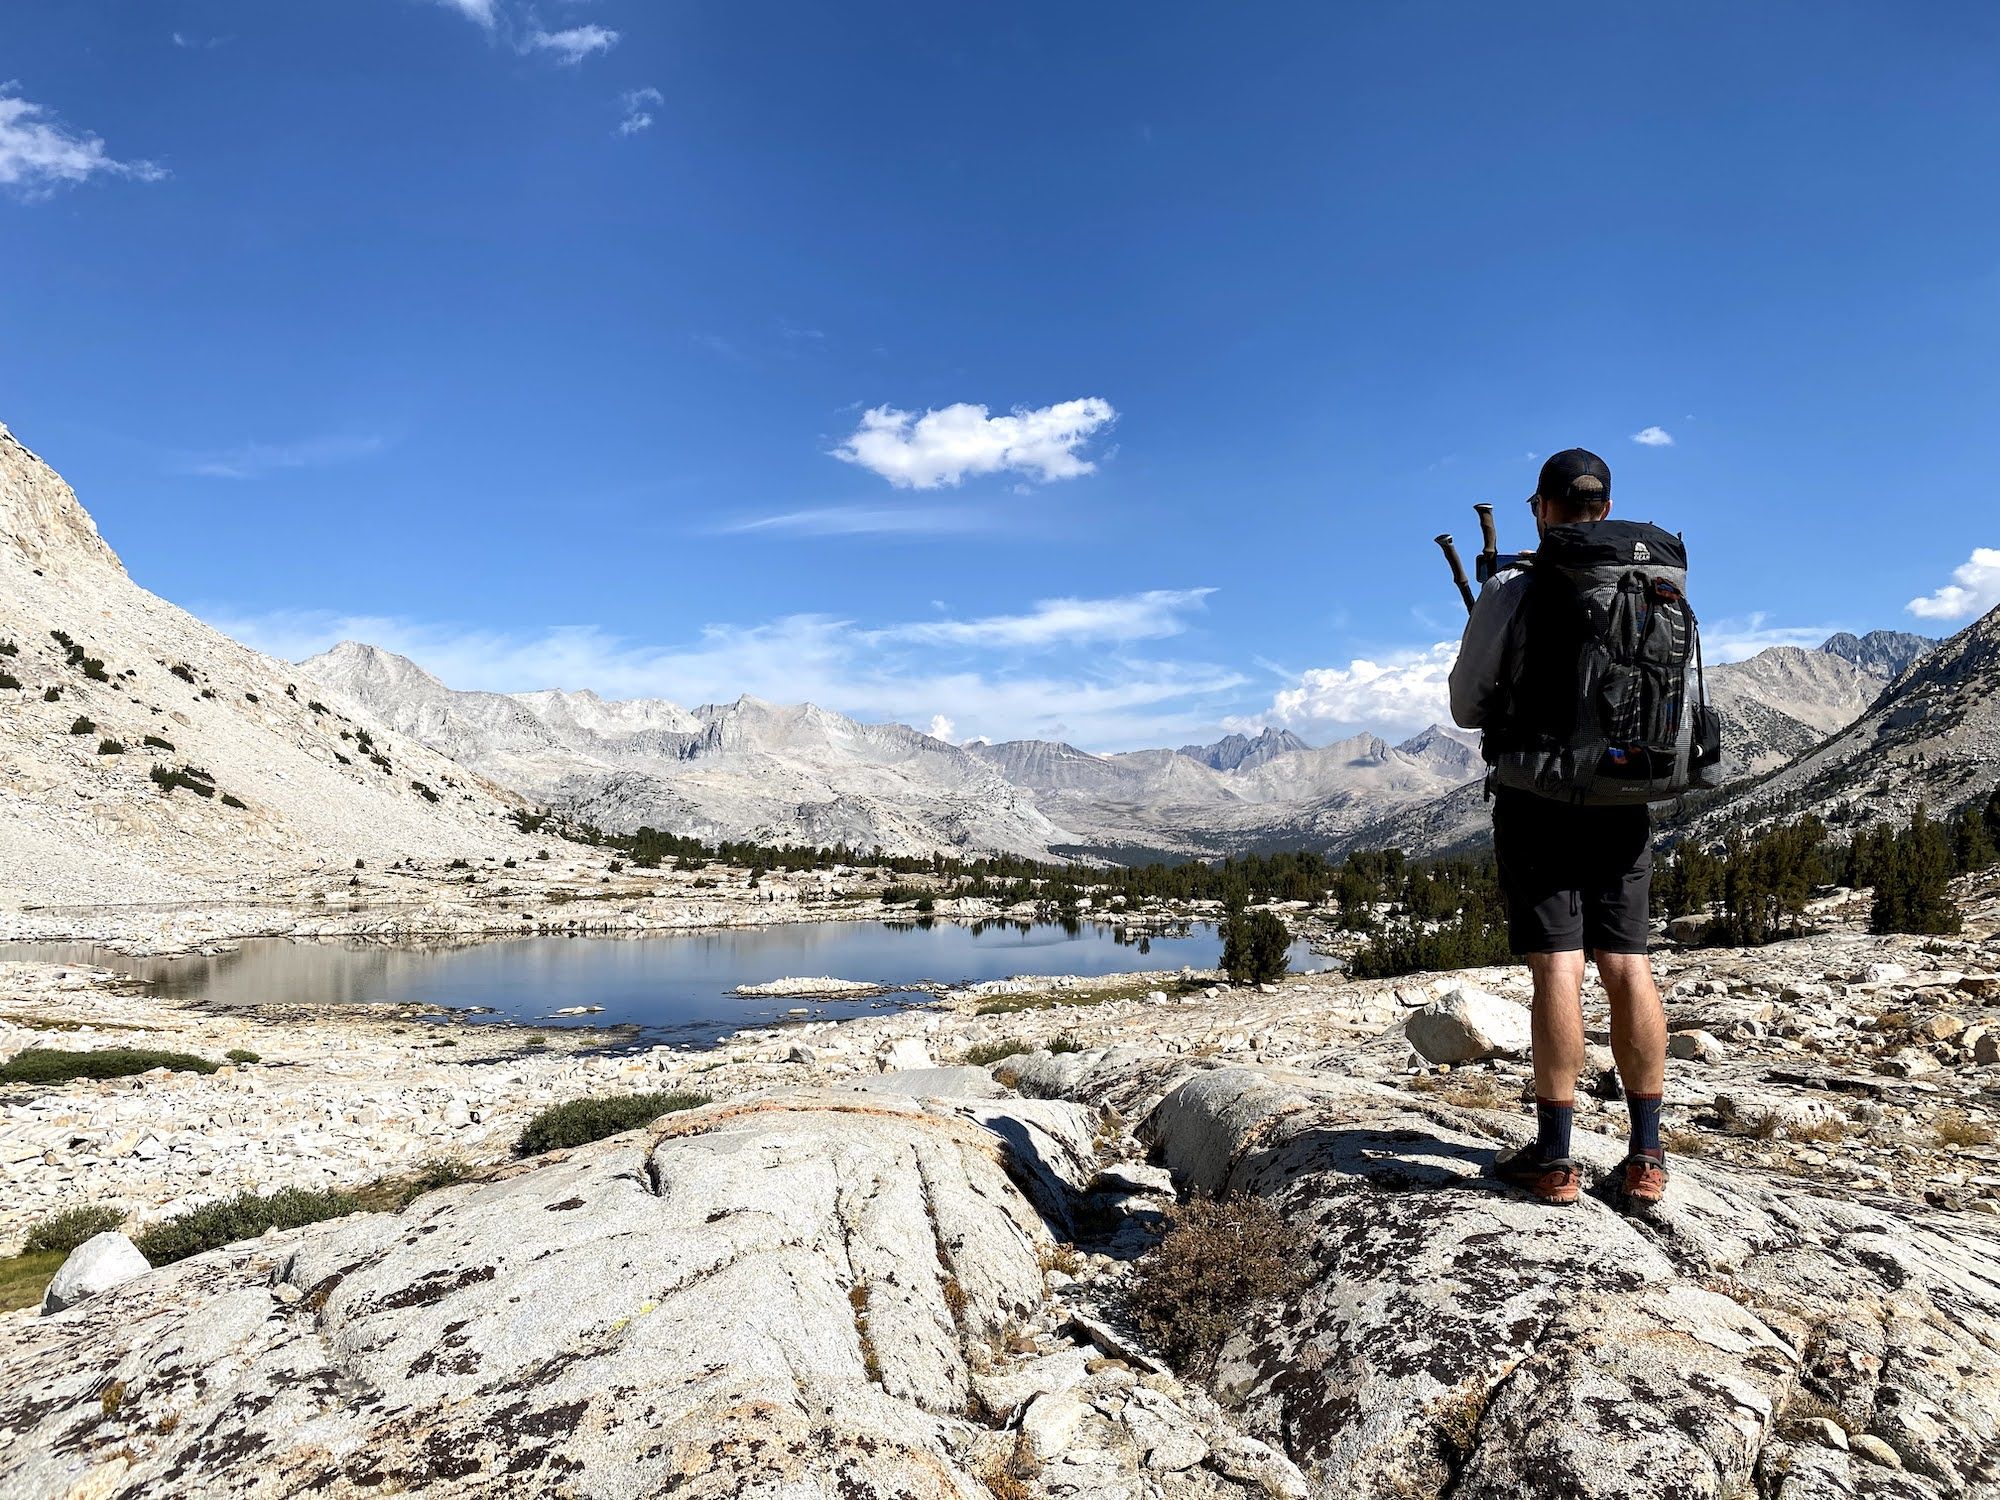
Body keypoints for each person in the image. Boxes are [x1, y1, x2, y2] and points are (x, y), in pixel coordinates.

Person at [1447, 448, 1670, 1208]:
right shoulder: (1651, 584)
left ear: (1540, 509)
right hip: (1625, 796)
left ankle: (1554, 1157)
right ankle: (1645, 1155)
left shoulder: (1513, 590)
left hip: (1537, 799)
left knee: (1557, 968)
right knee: (1628, 965)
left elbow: (1465, 706)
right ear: (1605, 510)